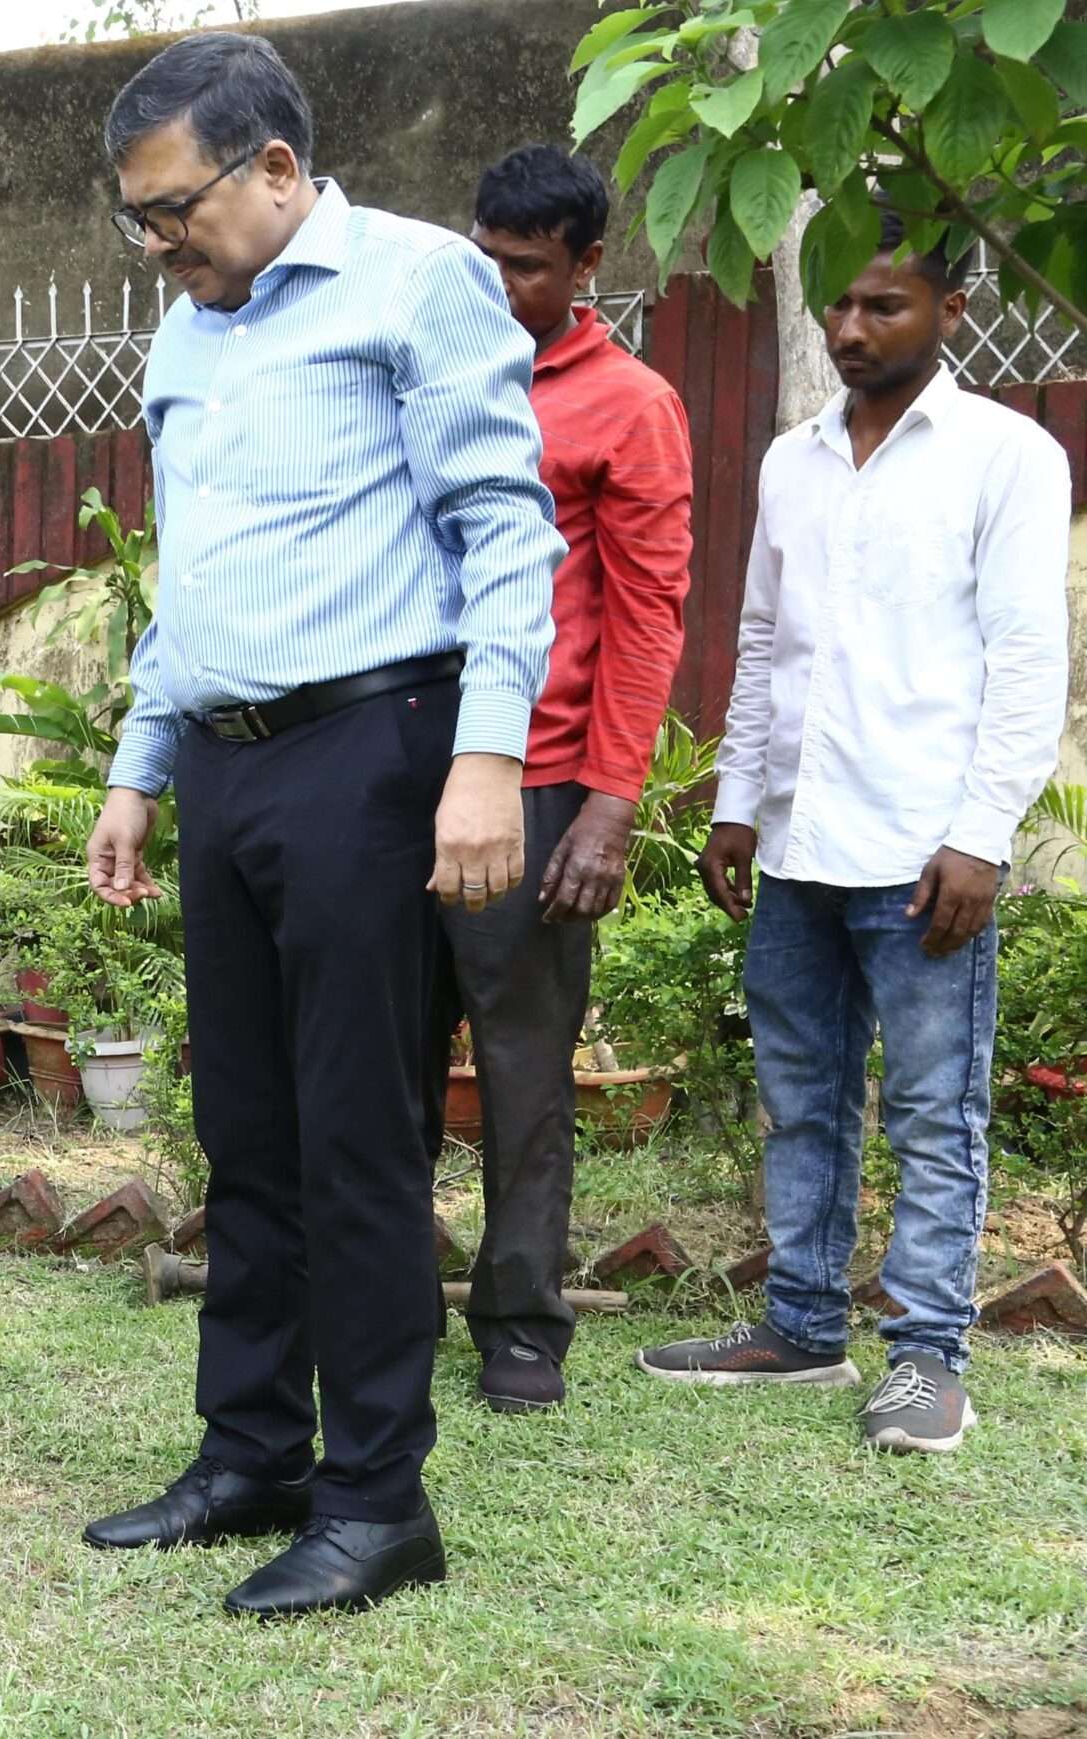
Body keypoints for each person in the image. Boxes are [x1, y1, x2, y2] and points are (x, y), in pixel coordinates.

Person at [76, 34, 563, 1618]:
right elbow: (192, 571)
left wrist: (486, 760)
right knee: (252, 1136)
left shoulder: (419, 284)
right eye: (139, 221)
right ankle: (252, 1452)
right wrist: (142, 766)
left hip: (374, 745)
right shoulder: (188, 332)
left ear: (276, 169)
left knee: (360, 1139)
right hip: (226, 760)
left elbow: (503, 527)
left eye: (174, 210)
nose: (159, 242)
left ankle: (378, 1497)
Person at [637, 215, 1069, 1456]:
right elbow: (766, 641)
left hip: (925, 851)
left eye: (884, 305)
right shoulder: (792, 461)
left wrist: (982, 835)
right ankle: (801, 1325)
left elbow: (1027, 658)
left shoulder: (1008, 457)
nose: (848, 328)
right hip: (799, 847)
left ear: (953, 310)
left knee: (935, 1112)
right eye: (837, 305)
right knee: (801, 1097)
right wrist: (733, 800)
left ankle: (927, 1360)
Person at [450, 145, 692, 1413]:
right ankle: (376, 1291)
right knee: (373, 1051)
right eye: (482, 257)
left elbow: (648, 615)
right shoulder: (431, 369)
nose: (496, 284)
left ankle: (521, 1323)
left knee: (525, 1066)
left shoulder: (629, 403)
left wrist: (608, 804)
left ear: (588, 265)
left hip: (540, 787)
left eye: (526, 267)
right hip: (406, 771)